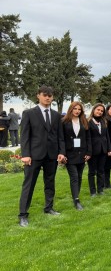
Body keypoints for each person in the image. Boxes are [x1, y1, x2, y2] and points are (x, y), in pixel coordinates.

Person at [18, 85, 66, 227]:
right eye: (45, 95)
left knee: (50, 183)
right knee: (29, 184)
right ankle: (23, 215)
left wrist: (61, 152)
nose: (47, 97)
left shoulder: (57, 115)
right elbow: (24, 136)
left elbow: (60, 136)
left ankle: (49, 208)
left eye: (50, 95)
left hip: (51, 155)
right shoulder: (29, 113)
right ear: (38, 95)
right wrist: (25, 154)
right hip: (34, 156)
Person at [62, 101, 92, 210]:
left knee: (79, 176)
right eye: (75, 109)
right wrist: (62, 154)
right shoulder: (64, 122)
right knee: (74, 177)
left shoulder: (84, 121)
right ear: (71, 109)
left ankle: (76, 195)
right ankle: (76, 200)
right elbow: (61, 139)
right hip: (69, 154)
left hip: (82, 153)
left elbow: (88, 138)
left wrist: (89, 153)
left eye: (79, 109)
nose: (77, 111)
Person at [87, 104, 111, 196]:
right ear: (94, 110)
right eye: (98, 110)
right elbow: (88, 138)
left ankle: (100, 190)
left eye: (102, 111)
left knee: (101, 171)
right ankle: (93, 191)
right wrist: (88, 152)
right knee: (92, 172)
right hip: (93, 151)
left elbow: (107, 136)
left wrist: (109, 149)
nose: (100, 112)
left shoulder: (104, 121)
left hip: (103, 150)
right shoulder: (88, 122)